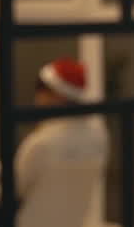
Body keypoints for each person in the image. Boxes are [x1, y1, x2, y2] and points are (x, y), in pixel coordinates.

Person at [15, 59, 108, 205]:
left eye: (40, 89)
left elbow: (13, 190)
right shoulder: (99, 136)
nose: (36, 98)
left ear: (56, 95)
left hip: (27, 226)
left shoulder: (41, 143)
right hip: (71, 226)